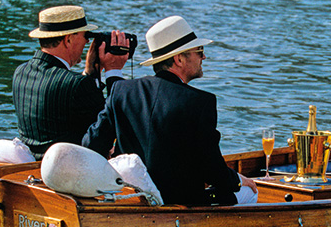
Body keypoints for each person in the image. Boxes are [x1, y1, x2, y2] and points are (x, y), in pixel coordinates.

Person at [82, 15, 258, 206]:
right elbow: (213, 171)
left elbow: (91, 145)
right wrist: (240, 180)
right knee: (250, 192)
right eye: (199, 51)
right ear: (179, 59)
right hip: (182, 204)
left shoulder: (121, 91)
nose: (204, 57)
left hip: (131, 200)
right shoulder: (201, 102)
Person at [13, 5, 130, 159]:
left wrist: (91, 71)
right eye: (85, 35)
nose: (87, 41)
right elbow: (110, 127)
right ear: (68, 40)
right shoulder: (77, 84)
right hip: (68, 171)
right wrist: (113, 71)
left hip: (32, 165)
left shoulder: (21, 72)